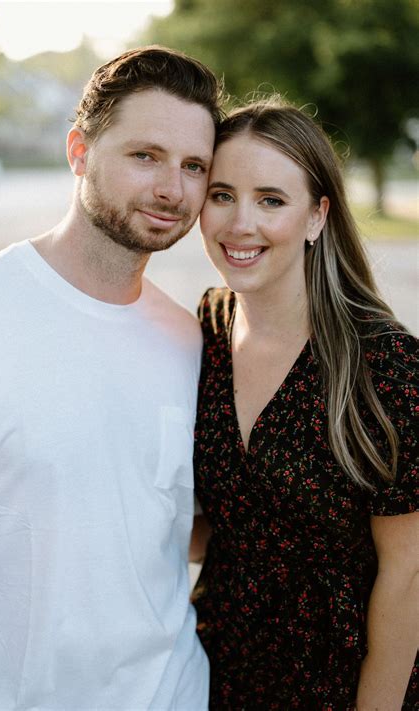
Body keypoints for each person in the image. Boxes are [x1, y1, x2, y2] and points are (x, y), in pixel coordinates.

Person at [0, 45, 223, 709]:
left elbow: (168, 520)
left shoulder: (191, 339)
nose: (172, 188)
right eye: (144, 155)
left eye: (194, 167)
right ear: (79, 151)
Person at [191, 98, 418, 709]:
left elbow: (408, 578)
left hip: (340, 684)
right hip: (216, 671)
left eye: (271, 199)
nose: (241, 224)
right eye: (221, 194)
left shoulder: (388, 365)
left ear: (317, 217)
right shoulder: (207, 326)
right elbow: (219, 517)